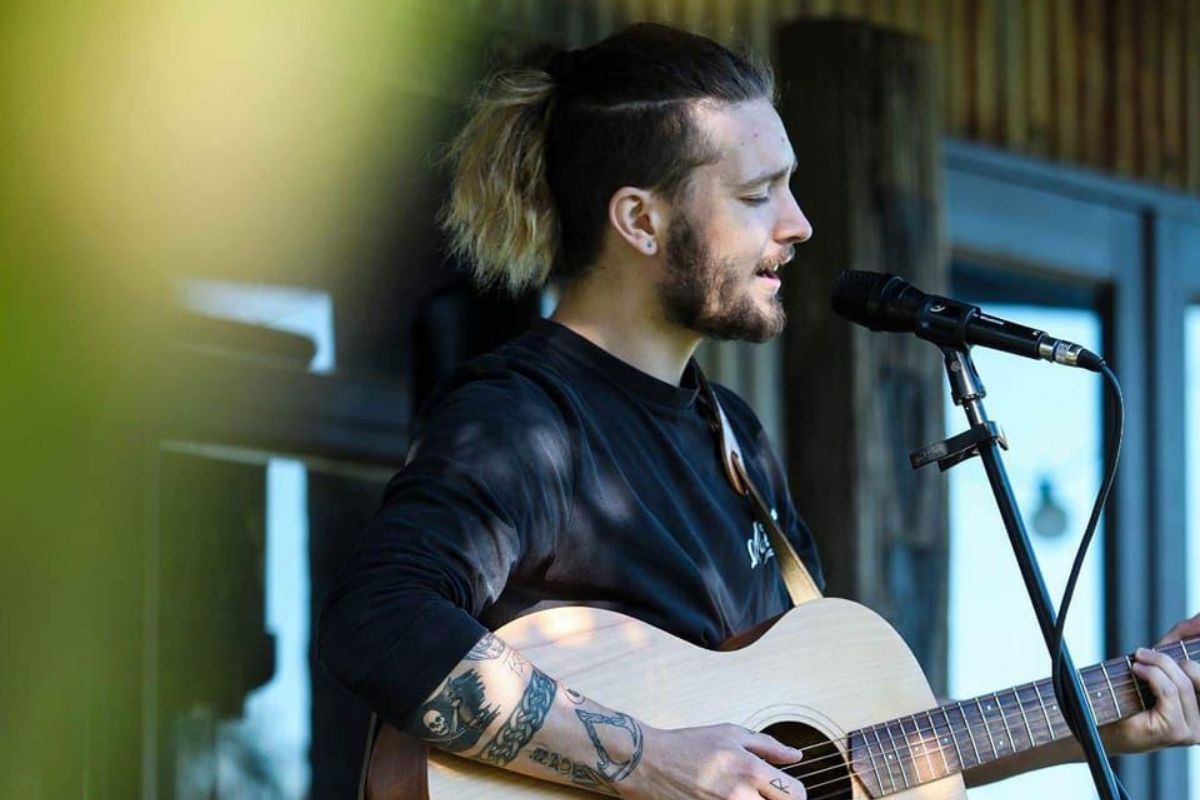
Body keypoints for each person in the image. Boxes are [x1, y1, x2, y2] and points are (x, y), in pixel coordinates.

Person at [319, 22, 1200, 799]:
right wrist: (648, 761)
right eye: (756, 195)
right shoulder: (526, 419)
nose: (798, 224)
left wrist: (1097, 723)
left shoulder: (734, 439)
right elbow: (382, 621)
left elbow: (848, 756)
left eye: (791, 186)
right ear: (640, 221)